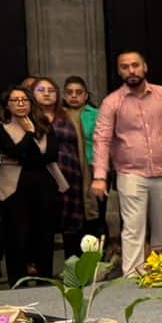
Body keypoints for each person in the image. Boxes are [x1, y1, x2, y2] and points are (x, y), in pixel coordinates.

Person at [91, 51, 162, 275]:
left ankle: (160, 273)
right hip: (131, 173)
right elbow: (101, 139)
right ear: (119, 71)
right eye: (125, 67)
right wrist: (100, 176)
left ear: (144, 67)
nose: (131, 71)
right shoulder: (112, 102)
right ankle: (132, 278)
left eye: (135, 65)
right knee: (133, 229)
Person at [0, 85, 60, 281]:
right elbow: (16, 152)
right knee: (17, 234)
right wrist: (29, 134)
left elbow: (51, 154)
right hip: (14, 188)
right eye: (15, 101)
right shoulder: (0, 129)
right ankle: (17, 279)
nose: (21, 104)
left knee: (44, 233)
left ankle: (45, 277)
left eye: (25, 100)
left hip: (43, 184)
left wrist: (31, 149)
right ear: (7, 105)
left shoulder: (45, 125)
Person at [34, 78, 88, 261]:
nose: (47, 93)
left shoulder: (68, 116)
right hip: (43, 177)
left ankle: (73, 270)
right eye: (41, 89)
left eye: (51, 90)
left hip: (71, 175)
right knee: (44, 225)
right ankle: (44, 274)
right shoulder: (28, 117)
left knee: (72, 226)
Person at [63, 76, 115, 261]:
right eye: (70, 93)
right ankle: (75, 260)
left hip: (95, 170)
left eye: (79, 92)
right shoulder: (59, 115)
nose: (74, 96)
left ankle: (98, 260)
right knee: (73, 218)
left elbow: (106, 141)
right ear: (64, 95)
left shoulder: (97, 114)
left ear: (86, 95)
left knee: (97, 216)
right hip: (69, 172)